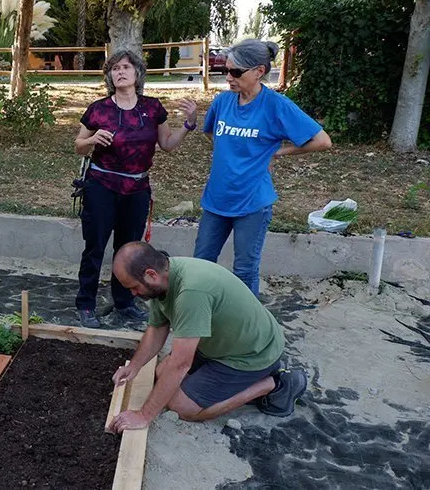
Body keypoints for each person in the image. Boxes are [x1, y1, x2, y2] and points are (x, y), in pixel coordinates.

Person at [107, 242, 307, 432]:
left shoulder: (190, 292)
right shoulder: (165, 275)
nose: (133, 293)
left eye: (133, 287)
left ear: (150, 274)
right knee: (161, 373)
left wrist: (143, 415)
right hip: (219, 344)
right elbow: (157, 329)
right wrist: (134, 366)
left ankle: (274, 384)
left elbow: (180, 364)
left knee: (181, 407)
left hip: (250, 356)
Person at [193, 39, 332, 296]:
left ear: (259, 71)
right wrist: (234, 154)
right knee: (200, 265)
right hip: (216, 199)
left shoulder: (276, 105)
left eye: (236, 72)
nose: (229, 78)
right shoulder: (222, 102)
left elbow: (322, 141)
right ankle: (198, 315)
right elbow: (211, 133)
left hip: (252, 203)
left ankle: (247, 329)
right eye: (226, 71)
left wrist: (279, 152)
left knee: (244, 270)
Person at [72, 49, 197, 328]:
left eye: (126, 67)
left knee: (129, 249)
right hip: (102, 185)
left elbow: (167, 145)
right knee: (95, 247)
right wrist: (92, 138)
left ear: (137, 73)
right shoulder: (99, 108)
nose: (120, 72)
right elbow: (78, 145)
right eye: (115, 69)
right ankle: (86, 304)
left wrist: (189, 124)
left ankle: (124, 302)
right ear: (110, 76)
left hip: (137, 188)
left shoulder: (152, 108)